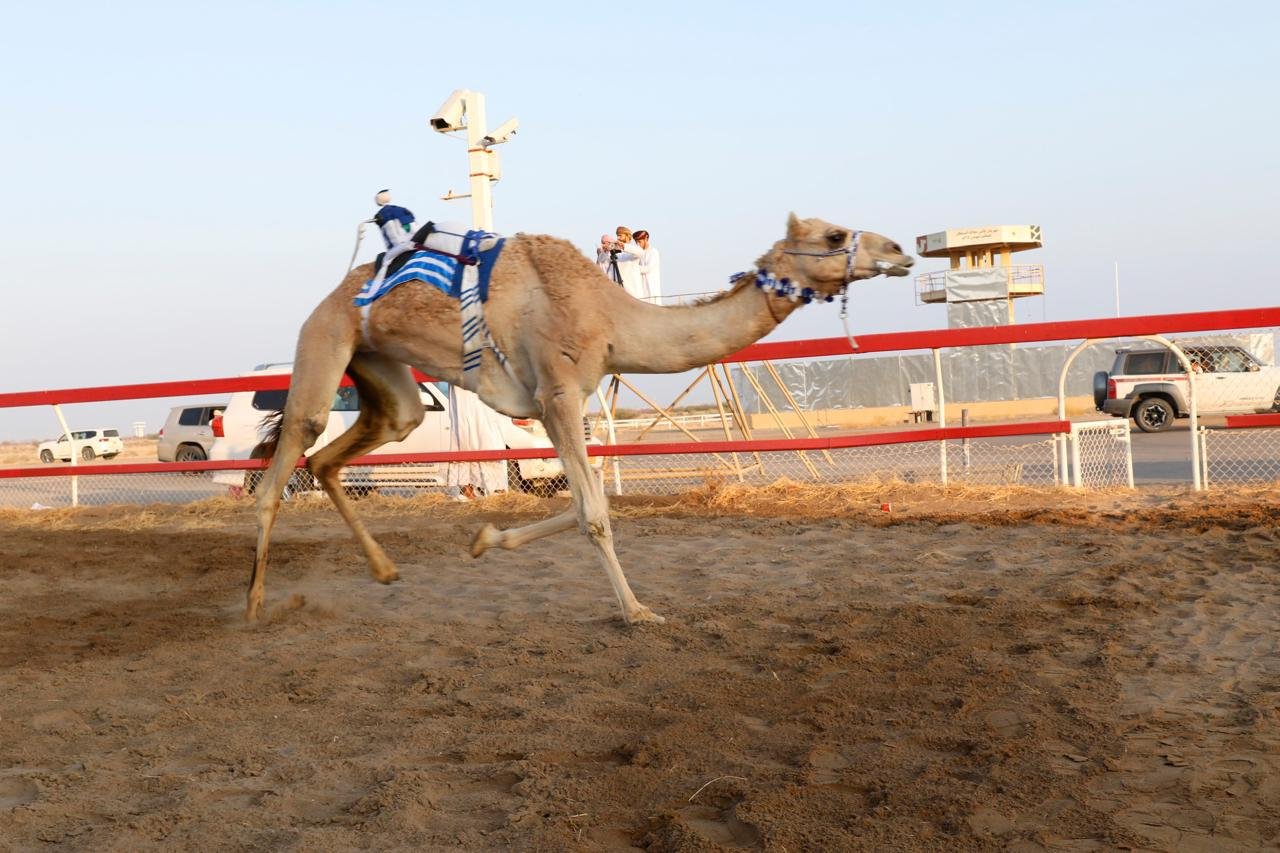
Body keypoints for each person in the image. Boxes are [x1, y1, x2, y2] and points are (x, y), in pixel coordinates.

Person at [447, 384, 509, 500]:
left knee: (487, 435)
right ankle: (467, 490)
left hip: (482, 387)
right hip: (462, 386)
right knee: (463, 434)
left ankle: (497, 489)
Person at [612, 226, 645, 299]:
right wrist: (605, 251)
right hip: (620, 292)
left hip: (633, 292)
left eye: (620, 235)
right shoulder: (617, 252)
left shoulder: (633, 249)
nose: (618, 238)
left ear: (627, 236)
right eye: (617, 236)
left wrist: (623, 246)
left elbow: (640, 252)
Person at [632, 229, 662, 304]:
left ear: (646, 239)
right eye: (636, 242)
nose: (638, 244)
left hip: (651, 287)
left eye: (639, 242)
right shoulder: (638, 253)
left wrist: (633, 268)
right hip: (641, 287)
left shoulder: (653, 252)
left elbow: (647, 269)